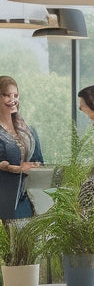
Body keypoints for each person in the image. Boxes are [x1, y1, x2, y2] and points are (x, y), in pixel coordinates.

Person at [0, 75, 44, 220]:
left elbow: (39, 161)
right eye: (7, 95)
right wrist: (17, 168)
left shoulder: (28, 131)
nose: (13, 99)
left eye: (16, 95)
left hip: (28, 199)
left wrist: (38, 166)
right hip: (5, 198)